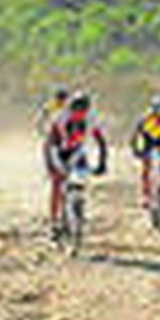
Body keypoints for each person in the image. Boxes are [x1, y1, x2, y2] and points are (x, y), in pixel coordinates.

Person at [42, 91, 107, 238]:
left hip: (77, 150)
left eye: (82, 111)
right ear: (70, 108)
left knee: (80, 179)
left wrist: (102, 163)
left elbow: (101, 142)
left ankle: (77, 209)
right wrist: (51, 166)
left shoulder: (91, 119)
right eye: (75, 110)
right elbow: (49, 144)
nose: (79, 114)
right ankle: (54, 221)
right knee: (57, 183)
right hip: (57, 149)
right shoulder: (60, 118)